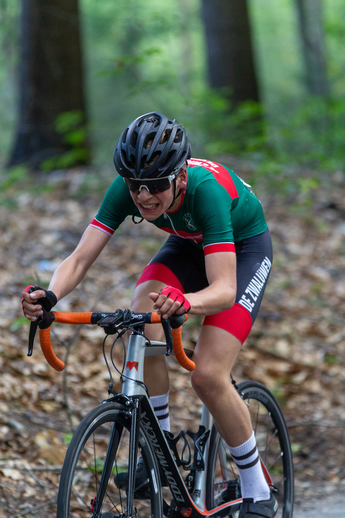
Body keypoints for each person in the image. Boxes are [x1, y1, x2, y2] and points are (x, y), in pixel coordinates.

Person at [22, 112, 276, 518]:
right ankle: (161, 451)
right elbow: (79, 258)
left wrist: (187, 302)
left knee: (208, 375)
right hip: (187, 244)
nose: (143, 196)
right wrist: (49, 295)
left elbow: (225, 290)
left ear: (179, 176)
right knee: (141, 316)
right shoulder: (131, 187)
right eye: (134, 185)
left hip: (242, 250)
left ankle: (257, 487)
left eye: (155, 185)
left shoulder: (206, 191)